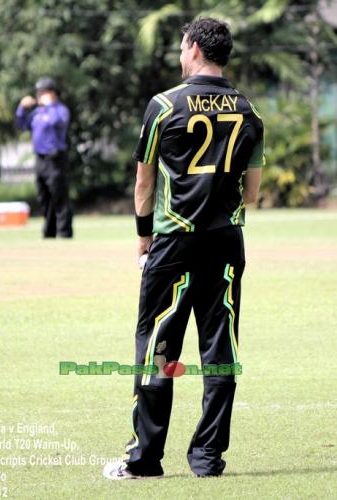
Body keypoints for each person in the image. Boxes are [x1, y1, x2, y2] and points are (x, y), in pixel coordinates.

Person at [103, 17, 264, 480]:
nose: (178, 53)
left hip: (173, 242)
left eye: (180, 46)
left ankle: (144, 460)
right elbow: (251, 194)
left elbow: (143, 182)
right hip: (226, 242)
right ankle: (207, 459)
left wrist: (142, 241)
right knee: (221, 348)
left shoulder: (163, 105)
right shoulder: (250, 111)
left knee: (158, 348)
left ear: (193, 47)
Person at [15, 77, 73, 238]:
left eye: (42, 92)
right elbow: (21, 124)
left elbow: (56, 122)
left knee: (59, 197)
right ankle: (49, 232)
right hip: (40, 160)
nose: (38, 95)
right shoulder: (37, 113)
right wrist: (21, 107)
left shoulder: (60, 110)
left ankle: (64, 233)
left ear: (51, 93)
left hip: (55, 160)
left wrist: (50, 105)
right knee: (44, 197)